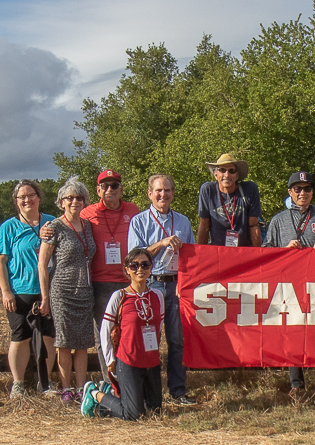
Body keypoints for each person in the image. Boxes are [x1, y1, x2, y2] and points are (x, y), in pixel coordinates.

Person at [263, 171, 315, 397]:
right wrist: (284, 250)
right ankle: (296, 384)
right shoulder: (278, 220)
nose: (303, 193)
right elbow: (266, 251)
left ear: (312, 192)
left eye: (307, 189)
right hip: (290, 284)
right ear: (290, 192)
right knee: (293, 331)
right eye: (298, 189)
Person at [127, 174, 197, 406]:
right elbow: (134, 258)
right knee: (150, 340)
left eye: (167, 190)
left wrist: (185, 283)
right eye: (158, 190)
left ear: (173, 194)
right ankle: (150, 393)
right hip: (151, 285)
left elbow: (192, 256)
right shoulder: (138, 221)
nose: (163, 195)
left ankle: (177, 391)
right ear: (150, 194)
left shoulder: (183, 222)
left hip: (176, 285)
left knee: (177, 340)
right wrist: (161, 243)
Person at [80, 248, 165, 421]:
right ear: (127, 269)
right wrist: (110, 359)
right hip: (128, 361)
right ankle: (94, 394)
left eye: (145, 264)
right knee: (134, 415)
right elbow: (105, 329)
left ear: (151, 267)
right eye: (134, 265)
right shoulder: (119, 296)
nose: (140, 269)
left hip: (151, 361)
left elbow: (159, 326)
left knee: (155, 412)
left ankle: (109, 403)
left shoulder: (157, 296)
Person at [0, 180, 57, 399]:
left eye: (31, 195)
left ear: (39, 197)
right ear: (16, 201)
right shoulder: (9, 227)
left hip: (48, 290)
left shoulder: (52, 222)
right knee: (20, 335)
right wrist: (6, 291)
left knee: (48, 336)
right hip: (20, 290)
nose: (27, 200)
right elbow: (0, 261)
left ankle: (45, 382)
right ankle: (18, 383)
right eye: (22, 197)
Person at [38, 177, 97, 404]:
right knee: (63, 343)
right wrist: (45, 297)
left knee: (82, 343)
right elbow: (42, 264)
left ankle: (81, 388)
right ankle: (66, 389)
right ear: (61, 201)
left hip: (85, 291)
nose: (74, 201)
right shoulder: (54, 227)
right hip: (62, 291)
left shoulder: (88, 226)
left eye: (79, 197)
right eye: (69, 198)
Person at [80, 170, 140, 344]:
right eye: (105, 186)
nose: (109, 190)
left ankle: (125, 363)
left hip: (128, 279)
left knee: (129, 331)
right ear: (98, 190)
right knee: (104, 333)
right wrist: (47, 228)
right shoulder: (87, 213)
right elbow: (68, 223)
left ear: (121, 189)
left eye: (114, 186)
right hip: (100, 282)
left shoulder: (132, 209)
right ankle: (107, 363)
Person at [197, 153, 261, 247]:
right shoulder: (208, 190)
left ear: (237, 175)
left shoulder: (249, 190)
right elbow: (204, 225)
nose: (227, 175)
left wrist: (258, 253)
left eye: (232, 171)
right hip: (217, 250)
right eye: (222, 170)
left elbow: (254, 225)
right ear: (215, 174)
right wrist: (200, 251)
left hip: (243, 249)